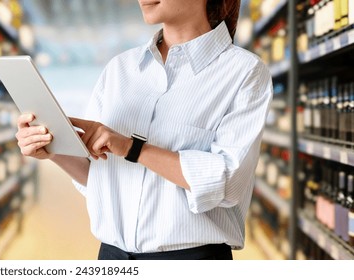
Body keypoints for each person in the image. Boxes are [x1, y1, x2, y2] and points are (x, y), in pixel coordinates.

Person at [15, 0, 272, 260]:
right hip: (112, 257)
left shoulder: (244, 72)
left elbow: (228, 183)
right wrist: (53, 149)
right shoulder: (120, 69)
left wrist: (132, 147)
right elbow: (100, 177)